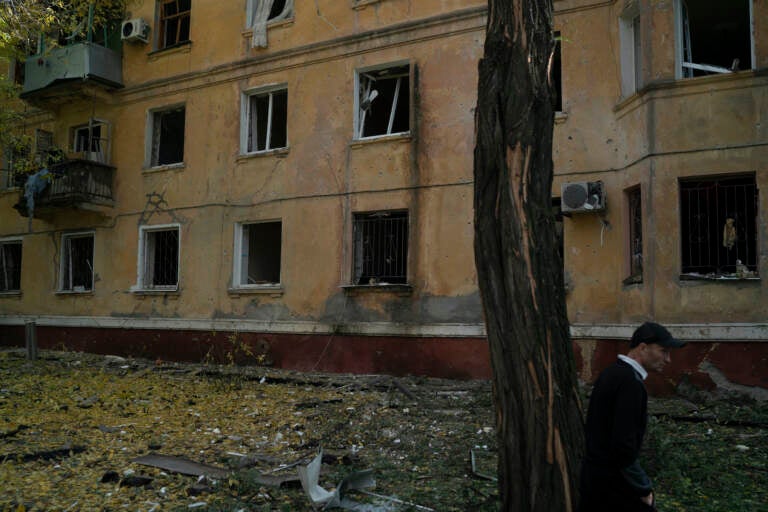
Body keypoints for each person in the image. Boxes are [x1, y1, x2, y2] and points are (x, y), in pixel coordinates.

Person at [578, 322, 686, 512]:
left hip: (595, 480)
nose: (668, 359)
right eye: (663, 351)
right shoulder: (630, 383)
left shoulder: (612, 373)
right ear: (643, 348)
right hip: (613, 487)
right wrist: (643, 488)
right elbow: (623, 446)